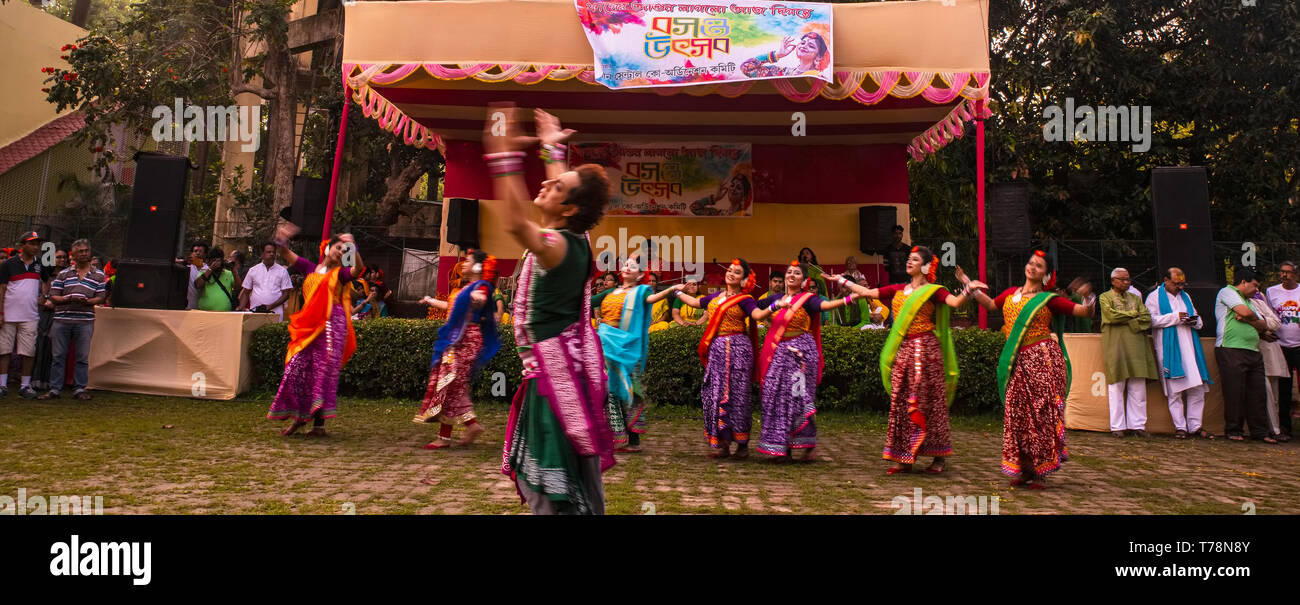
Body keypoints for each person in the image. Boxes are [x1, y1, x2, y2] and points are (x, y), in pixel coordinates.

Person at [494, 105, 614, 515]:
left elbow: (513, 222)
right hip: (561, 374)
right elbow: (563, 190)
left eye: (555, 186)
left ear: (568, 209)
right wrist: (549, 149)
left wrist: (505, 156)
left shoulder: (556, 244)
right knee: (577, 477)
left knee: (553, 491)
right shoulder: (569, 235)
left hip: (554, 379)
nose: (545, 185)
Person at [833, 246, 986, 474]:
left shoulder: (934, 291)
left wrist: (968, 288)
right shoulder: (897, 289)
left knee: (929, 402)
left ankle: (938, 457)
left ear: (925, 266)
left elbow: (954, 303)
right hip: (903, 352)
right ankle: (904, 456)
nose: (908, 262)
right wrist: (841, 280)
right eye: (908, 258)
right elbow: (867, 293)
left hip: (926, 352)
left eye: (914, 259)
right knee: (901, 402)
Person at [962, 250, 1094, 489]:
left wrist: (1088, 297)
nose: (1032, 267)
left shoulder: (1048, 299)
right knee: (1017, 414)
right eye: (1031, 263)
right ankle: (1024, 469)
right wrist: (970, 287)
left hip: (1042, 360)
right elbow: (991, 305)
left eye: (1039, 266)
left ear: (1046, 275)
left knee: (1040, 415)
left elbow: (1084, 312)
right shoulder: (1011, 293)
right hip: (1017, 361)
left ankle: (1040, 470)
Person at [267, 226, 365, 437]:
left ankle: (318, 425)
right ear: (327, 248)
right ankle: (299, 417)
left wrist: (352, 248)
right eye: (337, 247)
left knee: (323, 373)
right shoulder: (310, 268)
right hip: (310, 327)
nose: (340, 251)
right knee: (297, 368)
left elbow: (358, 270)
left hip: (332, 327)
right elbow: (284, 252)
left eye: (343, 250)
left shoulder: (341, 274)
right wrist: (281, 239)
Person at [749, 261, 851, 461]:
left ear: (804, 281)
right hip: (778, 351)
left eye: (797, 273)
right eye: (789, 272)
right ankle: (781, 446)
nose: (791, 275)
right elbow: (753, 307)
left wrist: (847, 299)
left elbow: (825, 305)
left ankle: (807, 443)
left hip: (801, 353)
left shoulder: (808, 300)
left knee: (798, 397)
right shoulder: (777, 298)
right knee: (774, 395)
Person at [591, 255, 681, 452]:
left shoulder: (641, 292)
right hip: (606, 344)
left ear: (640, 275)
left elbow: (653, 298)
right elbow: (588, 302)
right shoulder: (610, 292)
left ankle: (634, 439)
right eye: (625, 265)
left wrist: (672, 289)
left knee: (630, 391)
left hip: (628, 347)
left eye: (632, 267)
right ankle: (616, 437)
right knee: (609, 391)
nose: (627, 268)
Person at [673, 258, 760, 458]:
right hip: (717, 351)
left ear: (744, 279)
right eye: (729, 270)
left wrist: (774, 307)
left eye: (736, 272)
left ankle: (742, 444)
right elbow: (695, 302)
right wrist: (676, 291)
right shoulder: (715, 297)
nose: (731, 273)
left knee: (738, 396)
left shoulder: (745, 299)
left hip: (739, 350)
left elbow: (755, 315)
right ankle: (723, 443)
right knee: (717, 394)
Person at [415, 249, 501, 449]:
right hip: (457, 340)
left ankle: (448, 437)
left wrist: (476, 299)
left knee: (450, 383)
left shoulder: (482, 287)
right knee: (453, 385)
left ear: (479, 267)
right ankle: (471, 426)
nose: (463, 264)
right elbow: (451, 307)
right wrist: (429, 300)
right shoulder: (466, 288)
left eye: (468, 261)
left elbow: (480, 298)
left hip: (467, 340)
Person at [1144, 268, 1214, 439]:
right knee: (1175, 390)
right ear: (1166, 280)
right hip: (1169, 349)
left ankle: (1195, 426)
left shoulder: (1186, 296)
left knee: (1196, 389)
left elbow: (1198, 319)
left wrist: (1193, 320)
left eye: (1183, 284)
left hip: (1190, 347)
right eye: (1176, 284)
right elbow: (1149, 320)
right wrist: (1175, 317)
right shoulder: (1154, 297)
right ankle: (1180, 427)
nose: (1180, 287)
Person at [38, 239, 105, 401]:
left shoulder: (99, 274)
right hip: (62, 319)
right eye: (80, 251)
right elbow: (54, 296)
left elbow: (101, 296)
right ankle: (55, 389)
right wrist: (69, 298)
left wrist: (88, 302)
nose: (84, 254)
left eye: (86, 251)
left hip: (85, 320)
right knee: (58, 355)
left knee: (82, 356)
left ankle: (80, 388)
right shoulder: (64, 274)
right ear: (73, 255)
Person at [1214, 268, 1275, 443]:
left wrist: (1250, 318)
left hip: (1253, 350)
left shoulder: (1249, 302)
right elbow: (1251, 316)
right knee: (1234, 392)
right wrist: (1252, 317)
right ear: (1243, 282)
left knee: (1257, 393)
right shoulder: (1227, 292)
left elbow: (1264, 326)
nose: (1256, 290)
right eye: (1254, 285)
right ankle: (1234, 430)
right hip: (1231, 348)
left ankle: (1260, 432)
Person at [1100, 267, 1160, 438]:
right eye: (1123, 279)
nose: (1127, 282)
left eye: (1128, 279)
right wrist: (1133, 315)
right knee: (1116, 386)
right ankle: (1117, 426)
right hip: (1116, 346)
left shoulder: (1135, 297)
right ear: (1113, 281)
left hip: (1137, 346)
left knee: (1138, 386)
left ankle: (1137, 425)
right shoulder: (1105, 297)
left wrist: (1130, 319)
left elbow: (1146, 318)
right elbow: (1111, 317)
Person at [0, 232, 54, 398]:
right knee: (4, 351)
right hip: (8, 315)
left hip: (30, 316)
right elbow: (1, 289)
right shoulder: (8, 264)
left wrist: (44, 296)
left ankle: (25, 386)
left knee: (29, 352)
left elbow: (47, 281)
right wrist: (0, 312)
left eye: (38, 244)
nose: (36, 247)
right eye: (32, 244)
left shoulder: (39, 263)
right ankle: (2, 385)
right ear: (22, 245)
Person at [1264, 260, 1299, 439]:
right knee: (1284, 389)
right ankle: (1284, 427)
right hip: (1282, 345)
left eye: (1288, 272)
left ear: (1296, 274)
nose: (1284, 275)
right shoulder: (1271, 292)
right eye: (1281, 272)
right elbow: (1269, 314)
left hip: (1299, 344)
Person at [1252, 288, 1290, 441]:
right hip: (1254, 348)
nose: (1254, 288)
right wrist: (1260, 327)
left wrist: (1260, 324)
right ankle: (1271, 429)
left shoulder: (1259, 298)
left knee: (1273, 394)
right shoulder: (1234, 300)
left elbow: (1274, 322)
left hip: (1270, 349)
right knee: (1264, 392)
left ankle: (1276, 429)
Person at [239, 242, 294, 320]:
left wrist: (270, 306)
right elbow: (246, 292)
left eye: (273, 252)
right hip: (255, 314)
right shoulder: (253, 270)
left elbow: (286, 294)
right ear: (262, 254)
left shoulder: (282, 271)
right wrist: (241, 307)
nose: (272, 254)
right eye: (268, 252)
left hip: (275, 314)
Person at [741, 32, 830, 78]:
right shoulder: (782, 72)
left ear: (819, 56)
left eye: (811, 46)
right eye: (803, 43)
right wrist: (777, 55)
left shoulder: (818, 78)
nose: (804, 46)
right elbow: (746, 68)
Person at [193, 247, 237, 311]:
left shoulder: (228, 273)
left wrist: (234, 271)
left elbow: (238, 287)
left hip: (224, 313)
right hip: (205, 313)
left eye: (219, 260)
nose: (217, 263)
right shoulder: (204, 273)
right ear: (208, 261)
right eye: (214, 260)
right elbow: (197, 285)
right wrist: (211, 269)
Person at [179, 242, 209, 310]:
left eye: (200, 251)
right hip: (186, 306)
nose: (197, 253)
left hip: (202, 308)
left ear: (205, 254)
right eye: (195, 251)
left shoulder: (208, 269)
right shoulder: (186, 266)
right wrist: (184, 262)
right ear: (191, 253)